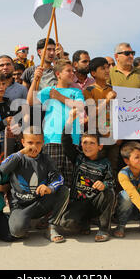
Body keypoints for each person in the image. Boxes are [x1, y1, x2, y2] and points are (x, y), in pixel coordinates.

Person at [0, 126, 70, 243]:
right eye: (30, 142)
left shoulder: (46, 159)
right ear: (23, 142)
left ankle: (51, 226)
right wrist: (21, 152)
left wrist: (49, 188)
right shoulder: (18, 158)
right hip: (20, 206)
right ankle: (19, 220)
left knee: (64, 191)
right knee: (17, 231)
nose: (34, 147)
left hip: (40, 203)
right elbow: (3, 168)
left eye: (38, 143)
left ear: (43, 143)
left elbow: (59, 178)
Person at [59, 109, 115, 242]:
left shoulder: (105, 163)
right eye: (85, 142)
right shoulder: (78, 157)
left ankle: (104, 229)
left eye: (92, 143)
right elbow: (66, 142)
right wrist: (69, 121)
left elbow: (112, 182)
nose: (87, 146)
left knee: (109, 192)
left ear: (100, 146)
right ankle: (84, 223)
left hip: (96, 204)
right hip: (78, 203)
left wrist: (104, 184)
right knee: (66, 224)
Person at [27, 59, 85, 187]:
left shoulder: (76, 92)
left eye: (73, 71)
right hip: (51, 139)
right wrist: (35, 80)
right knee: (52, 179)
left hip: (72, 140)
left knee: (70, 180)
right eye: (68, 71)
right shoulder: (48, 90)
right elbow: (30, 101)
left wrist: (59, 96)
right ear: (58, 74)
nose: (72, 74)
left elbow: (80, 107)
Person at [83, 57, 120, 182]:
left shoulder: (113, 89)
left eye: (108, 67)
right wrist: (107, 100)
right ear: (93, 73)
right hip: (97, 136)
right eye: (102, 68)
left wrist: (120, 134)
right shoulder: (88, 91)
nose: (107, 70)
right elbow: (91, 114)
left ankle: (112, 198)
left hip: (113, 136)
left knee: (113, 168)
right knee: (97, 168)